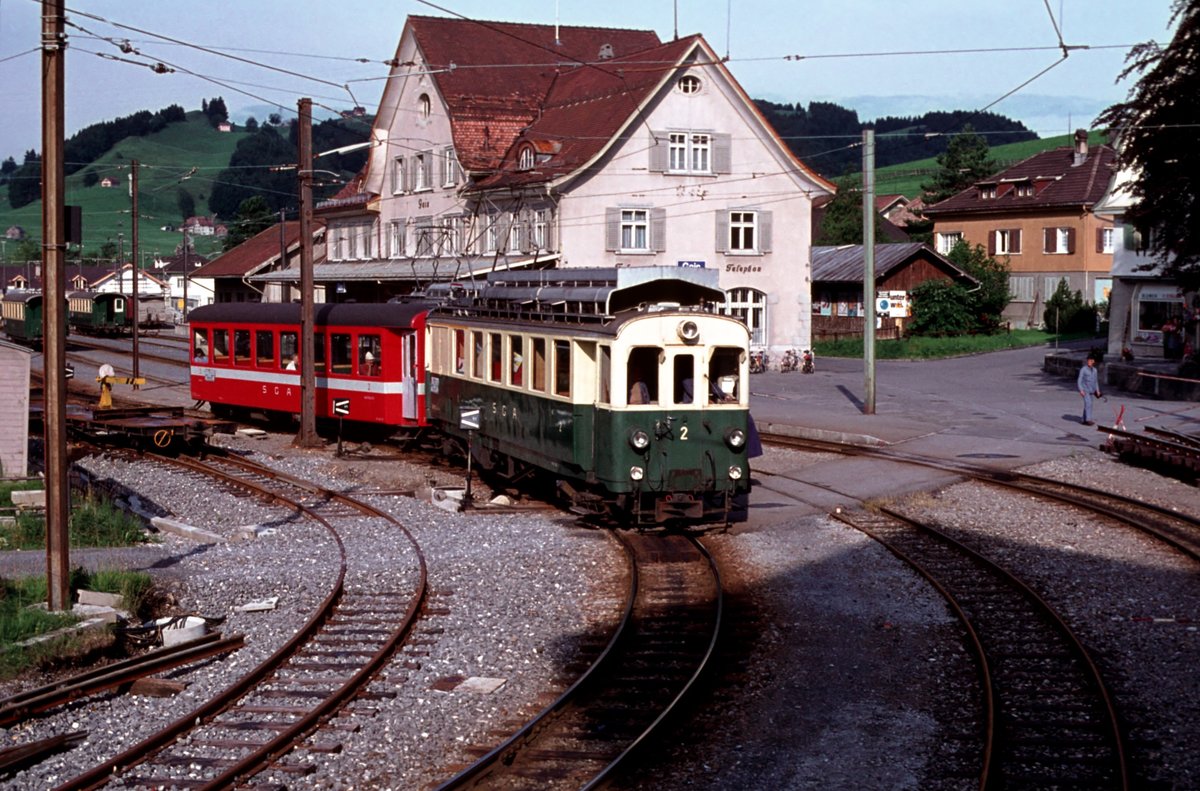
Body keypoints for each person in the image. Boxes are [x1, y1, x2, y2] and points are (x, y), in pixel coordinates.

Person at [1077, 355, 1101, 426]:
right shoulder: (1083, 369)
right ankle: (1088, 420)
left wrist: (1098, 390)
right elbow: (1079, 380)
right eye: (1088, 360)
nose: (1089, 362)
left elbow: (1096, 381)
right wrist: (1081, 390)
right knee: (1088, 403)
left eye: (1091, 361)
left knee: (1089, 404)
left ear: (1093, 361)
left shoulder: (1095, 370)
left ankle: (1084, 419)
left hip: (1092, 390)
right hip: (1085, 390)